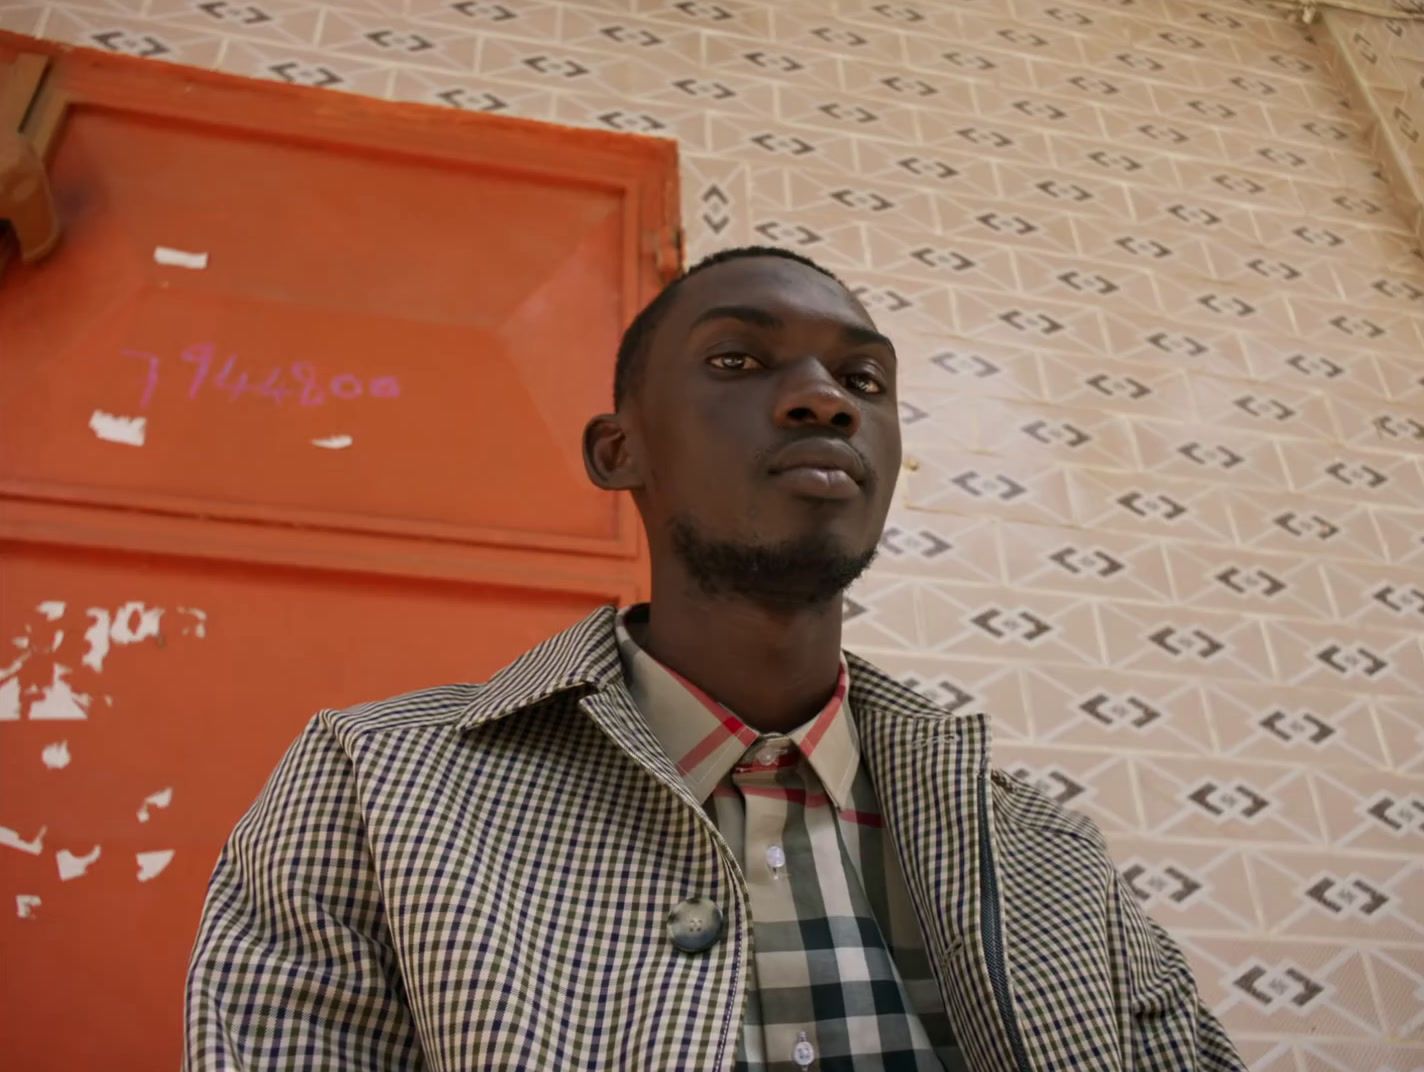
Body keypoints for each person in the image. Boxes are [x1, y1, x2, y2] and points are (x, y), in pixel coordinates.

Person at [184, 247, 1246, 1071]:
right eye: (737, 360)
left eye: (863, 379)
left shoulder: (1048, 856)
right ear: (619, 450)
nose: (823, 397)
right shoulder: (376, 784)